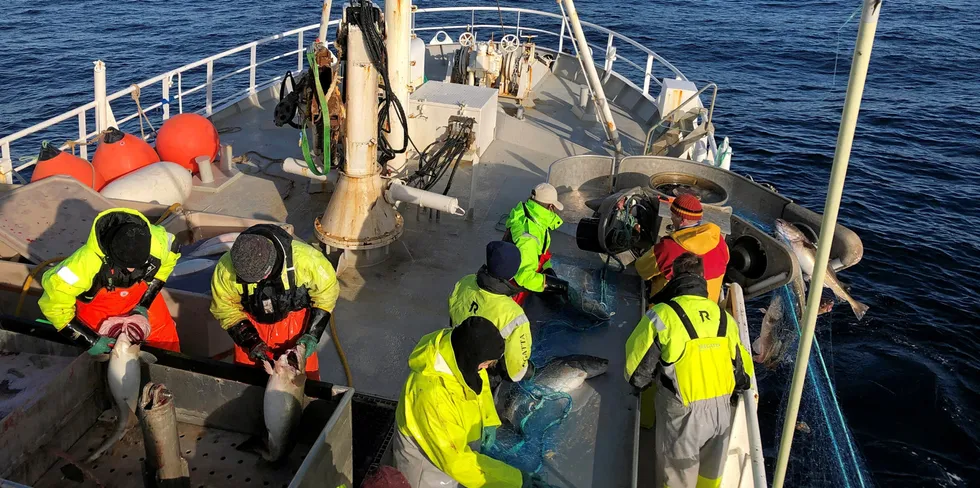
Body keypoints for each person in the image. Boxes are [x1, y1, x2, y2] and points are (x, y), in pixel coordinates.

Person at [624, 253, 754, 488]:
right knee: (710, 476)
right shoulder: (724, 318)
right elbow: (743, 373)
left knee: (676, 478)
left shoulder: (662, 314)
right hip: (722, 413)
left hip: (683, 414)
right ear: (703, 277)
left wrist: (641, 386)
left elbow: (636, 370)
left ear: (673, 276)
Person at [393, 316, 549, 488]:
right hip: (428, 474)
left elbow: (478, 385)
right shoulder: (432, 397)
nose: (485, 368)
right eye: (485, 363)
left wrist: (489, 419)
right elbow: (455, 461)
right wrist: (515, 480)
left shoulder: (459, 354)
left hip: (457, 460)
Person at [39, 208, 181, 353]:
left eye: (138, 265)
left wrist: (144, 304)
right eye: (126, 265)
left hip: (139, 296)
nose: (132, 270)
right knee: (104, 357)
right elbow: (55, 306)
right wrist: (89, 340)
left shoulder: (159, 243)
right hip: (98, 309)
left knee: (167, 342)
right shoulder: (80, 266)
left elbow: (169, 258)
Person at [210, 224, 338, 380]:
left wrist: (312, 335)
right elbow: (225, 309)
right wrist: (250, 341)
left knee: (303, 381)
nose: (259, 281)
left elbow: (326, 294)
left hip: (297, 325)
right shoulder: (225, 269)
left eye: (261, 275)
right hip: (251, 325)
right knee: (245, 380)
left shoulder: (308, 260)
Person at [448, 241, 533, 383]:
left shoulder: (466, 281)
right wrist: (526, 370)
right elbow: (515, 371)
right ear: (512, 275)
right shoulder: (514, 315)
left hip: (453, 349)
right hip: (482, 371)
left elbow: (452, 309)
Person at [634, 193, 729, 303]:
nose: (671, 217)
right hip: (709, 308)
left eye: (673, 214)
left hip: (671, 309)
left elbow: (641, 269)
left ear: (682, 220)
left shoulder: (668, 248)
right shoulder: (719, 241)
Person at [502, 183, 567, 305]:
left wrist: (547, 269)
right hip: (513, 293)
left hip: (511, 268)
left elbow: (540, 251)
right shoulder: (529, 238)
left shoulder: (527, 215)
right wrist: (546, 283)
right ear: (550, 207)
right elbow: (523, 277)